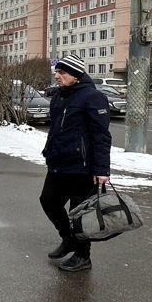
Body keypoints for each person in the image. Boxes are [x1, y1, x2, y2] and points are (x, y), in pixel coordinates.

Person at [39, 54, 112, 273]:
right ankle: (68, 239)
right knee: (48, 201)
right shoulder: (61, 96)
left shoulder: (93, 98)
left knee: (79, 213)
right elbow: (56, 130)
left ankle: (83, 256)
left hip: (82, 167)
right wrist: (48, 151)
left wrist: (101, 169)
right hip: (58, 163)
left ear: (76, 75)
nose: (57, 76)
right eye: (57, 72)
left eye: (62, 73)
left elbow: (101, 136)